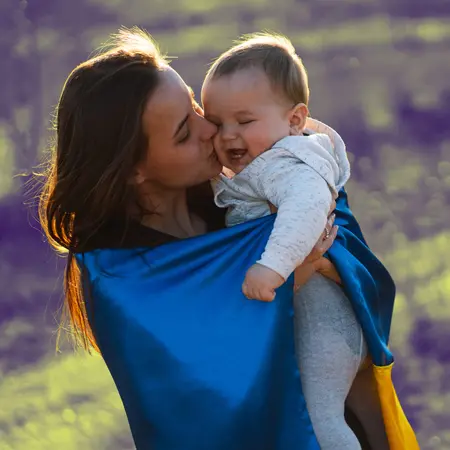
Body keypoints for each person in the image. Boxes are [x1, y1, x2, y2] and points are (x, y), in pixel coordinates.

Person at [38, 28, 419, 450]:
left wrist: (324, 261)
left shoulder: (235, 191)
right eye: (185, 131)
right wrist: (296, 274)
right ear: (133, 169)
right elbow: (199, 378)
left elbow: (335, 223)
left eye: (197, 107)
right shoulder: (119, 275)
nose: (211, 131)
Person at [201, 32, 386, 450]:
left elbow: (306, 211)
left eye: (244, 121)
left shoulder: (290, 164)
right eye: (217, 124)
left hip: (324, 318)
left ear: (295, 120)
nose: (228, 136)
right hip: (314, 316)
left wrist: (273, 266)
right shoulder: (264, 160)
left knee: (317, 417)